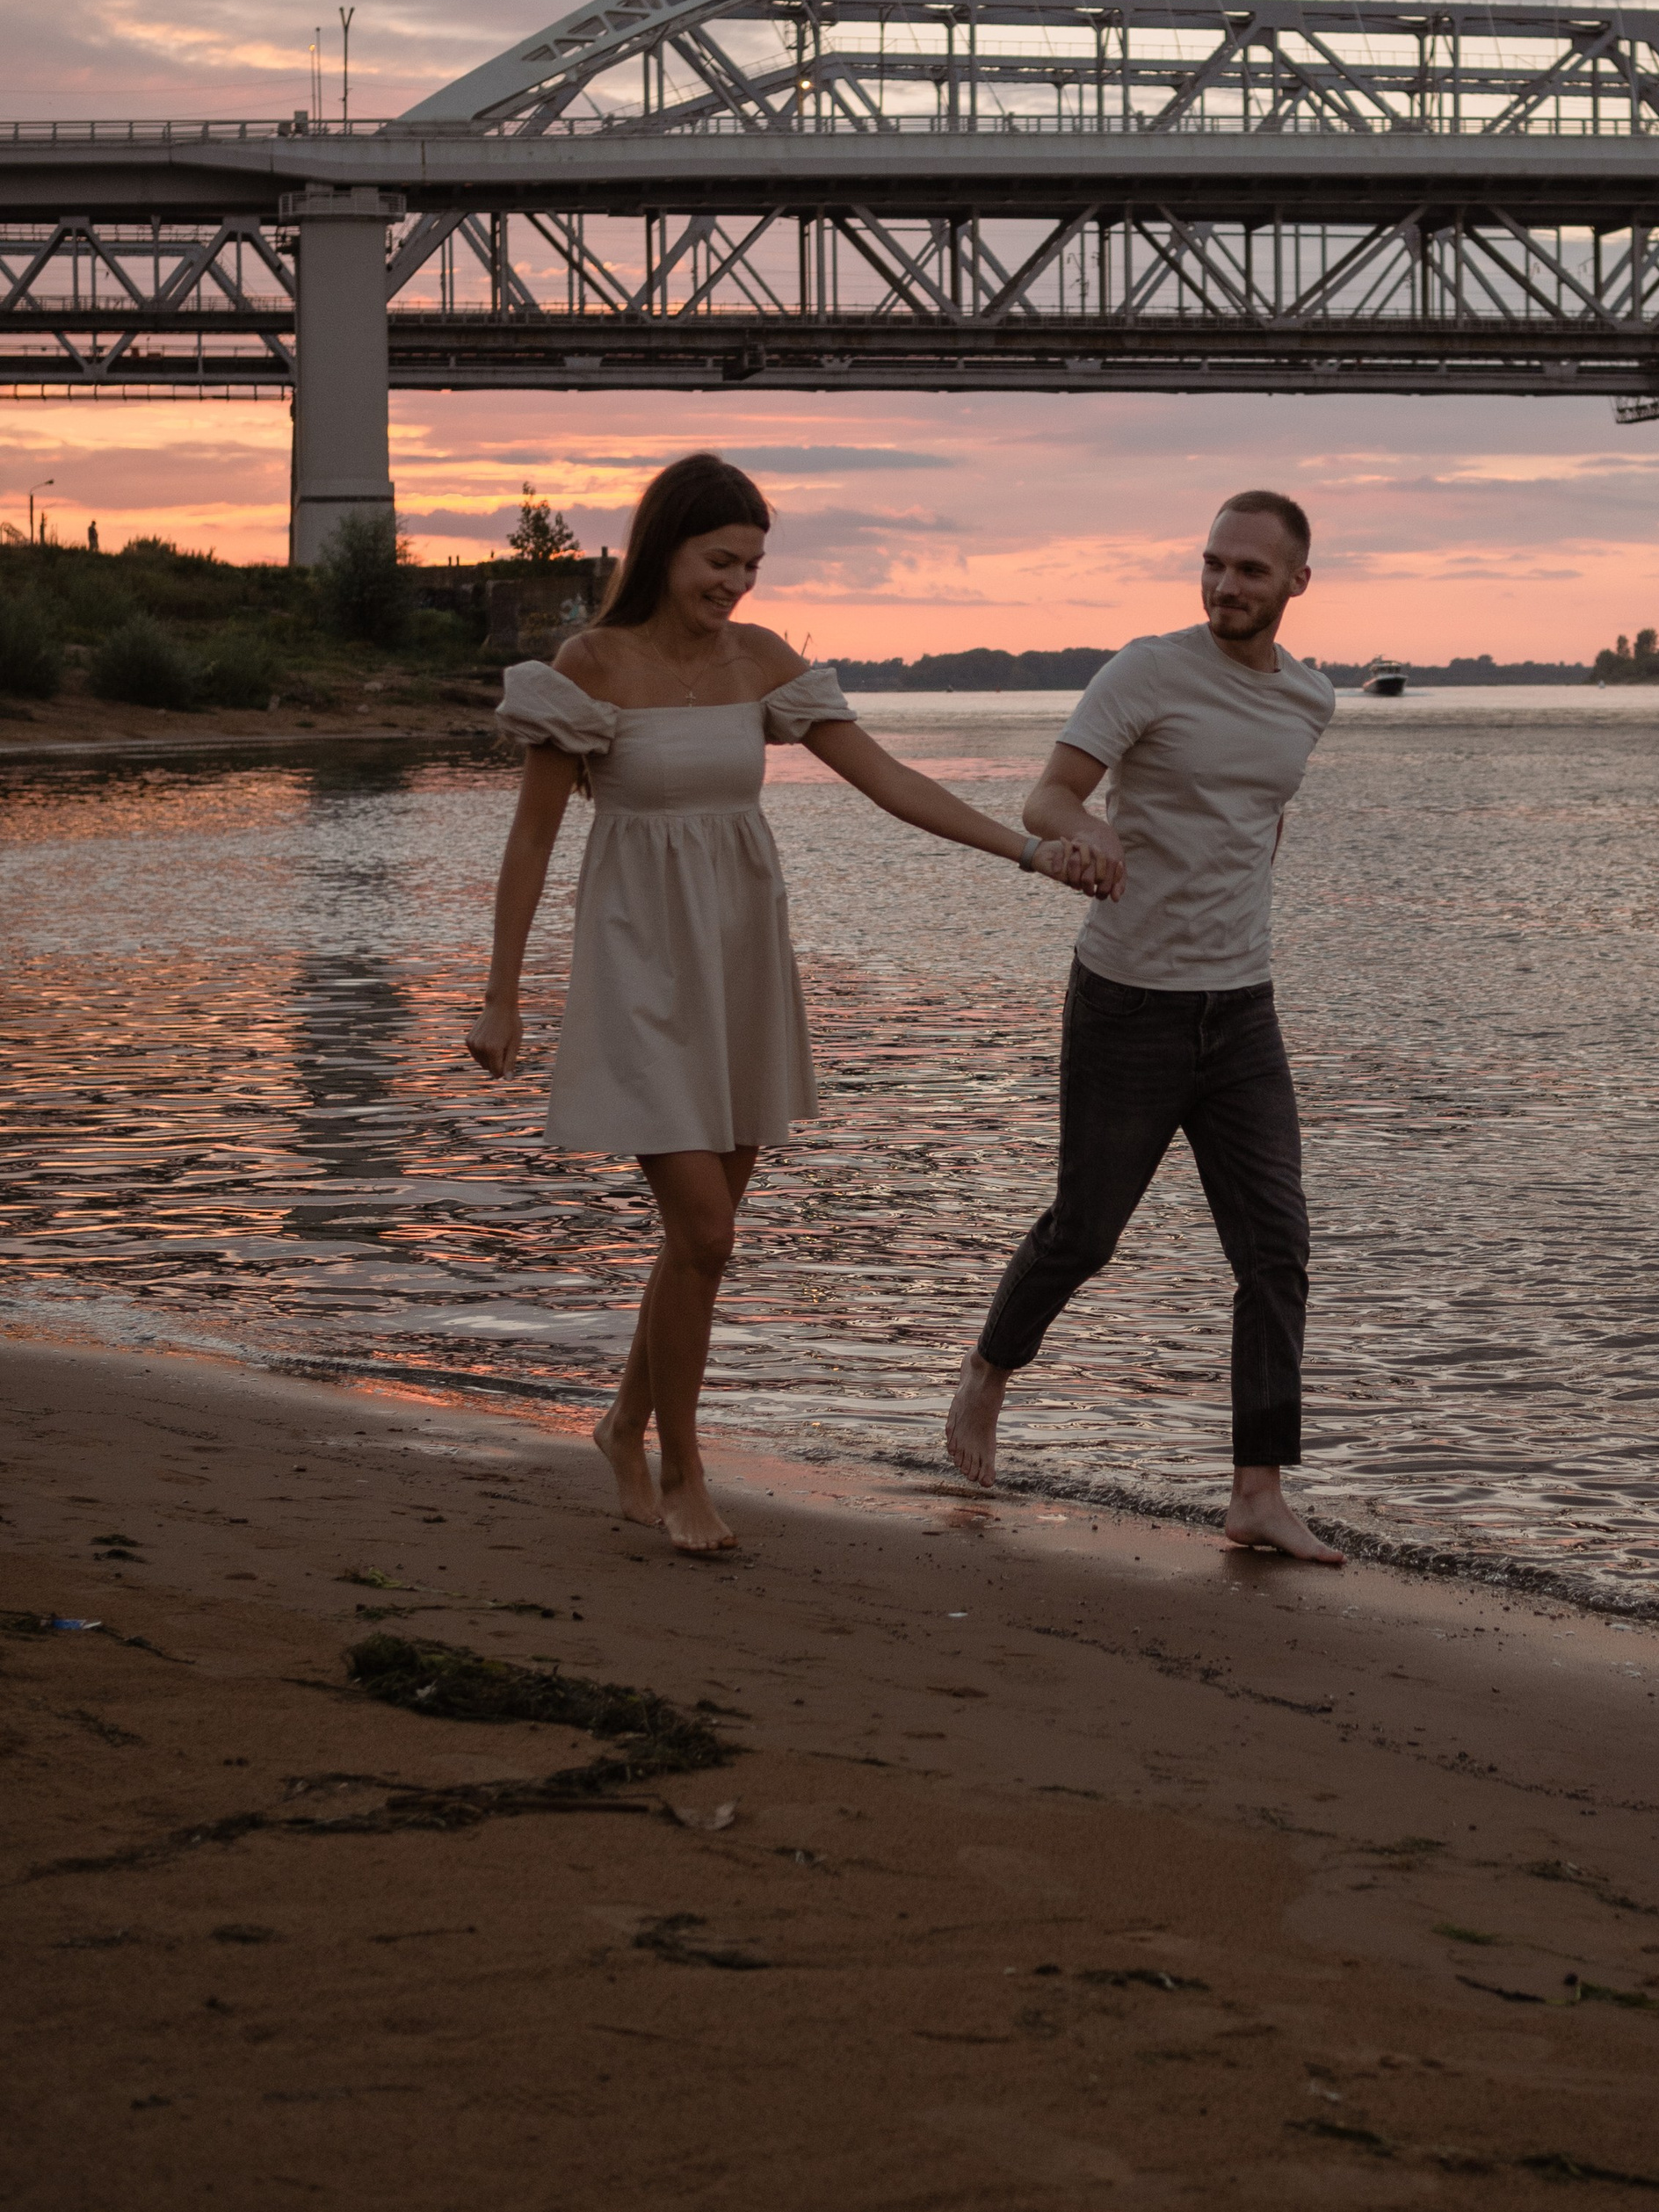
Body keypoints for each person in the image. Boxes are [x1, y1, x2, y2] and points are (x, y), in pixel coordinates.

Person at [467, 452, 1112, 1555]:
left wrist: (1028, 851)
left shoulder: (763, 660)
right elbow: (531, 837)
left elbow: (889, 778)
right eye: (720, 559)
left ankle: (624, 1425)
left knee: (698, 1243)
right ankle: (684, 1471)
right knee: (706, 1229)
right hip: (637, 965)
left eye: (753, 564)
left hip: (740, 961)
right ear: (665, 544)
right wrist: (501, 994)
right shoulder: (590, 664)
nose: (736, 583)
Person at [945, 491, 1342, 1564]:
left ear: (1296, 583)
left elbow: (1260, 821)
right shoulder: (1145, 670)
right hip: (1128, 1003)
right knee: (1085, 1231)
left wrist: (1234, 918)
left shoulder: (1310, 700)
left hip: (1242, 1008)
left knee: (1276, 1251)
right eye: (1214, 564)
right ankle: (987, 1371)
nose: (1226, 586)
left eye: (1252, 571)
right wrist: (1091, 827)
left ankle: (1256, 1490)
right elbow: (1046, 796)